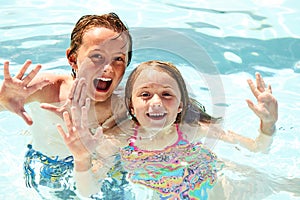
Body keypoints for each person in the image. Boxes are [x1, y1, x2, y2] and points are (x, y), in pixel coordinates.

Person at [57, 60, 278, 199]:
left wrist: (267, 126)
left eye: (166, 94)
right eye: (145, 94)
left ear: (180, 104)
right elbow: (88, 191)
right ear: (131, 105)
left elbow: (257, 149)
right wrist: (82, 159)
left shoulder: (193, 129)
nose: (156, 102)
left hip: (211, 187)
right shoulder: (118, 140)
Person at [0, 13, 132, 199]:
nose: (108, 67)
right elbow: (5, 101)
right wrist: (2, 100)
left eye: (118, 58)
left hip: (105, 169)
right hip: (49, 167)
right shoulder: (48, 88)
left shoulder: (126, 101)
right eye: (97, 56)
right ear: (72, 58)